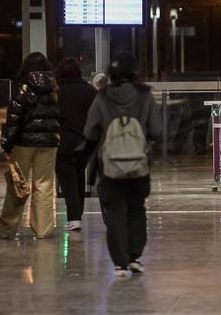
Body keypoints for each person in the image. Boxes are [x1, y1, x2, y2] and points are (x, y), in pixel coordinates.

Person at [83, 52, 161, 277]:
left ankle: (120, 262)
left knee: (115, 212)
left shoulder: (103, 97)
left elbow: (89, 130)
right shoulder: (145, 96)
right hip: (139, 165)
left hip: (109, 167)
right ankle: (135, 256)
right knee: (137, 209)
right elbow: (156, 130)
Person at [0, 52, 60, 240]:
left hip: (24, 142)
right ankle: (43, 229)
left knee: (17, 184)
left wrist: (7, 143)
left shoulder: (23, 86)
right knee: (44, 185)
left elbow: (14, 117)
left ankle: (7, 229)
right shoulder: (53, 87)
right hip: (48, 143)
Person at [55, 58, 98, 232]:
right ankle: (77, 215)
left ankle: (74, 218)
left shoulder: (56, 91)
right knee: (78, 175)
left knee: (67, 180)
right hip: (85, 142)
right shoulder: (89, 90)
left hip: (62, 141)